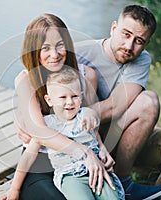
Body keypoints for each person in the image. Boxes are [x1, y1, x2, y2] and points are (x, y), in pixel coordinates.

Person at [72, 4, 161, 199]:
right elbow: (36, 74)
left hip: (125, 139)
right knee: (148, 101)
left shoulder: (141, 59)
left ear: (147, 43)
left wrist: (81, 112)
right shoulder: (81, 53)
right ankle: (123, 184)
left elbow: (115, 106)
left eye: (138, 41)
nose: (129, 46)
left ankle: (143, 192)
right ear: (113, 28)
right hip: (89, 141)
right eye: (126, 34)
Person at [12, 13, 119, 200]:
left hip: (81, 160)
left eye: (60, 45)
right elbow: (39, 132)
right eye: (45, 48)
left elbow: (88, 121)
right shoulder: (26, 81)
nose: (54, 54)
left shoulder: (87, 76)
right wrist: (85, 152)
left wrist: (100, 149)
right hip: (41, 160)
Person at [1, 68, 124, 200]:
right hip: (71, 177)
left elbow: (93, 126)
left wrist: (91, 113)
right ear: (49, 100)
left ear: (81, 97)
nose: (70, 102)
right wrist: (15, 188)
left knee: (112, 197)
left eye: (74, 96)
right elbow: (27, 157)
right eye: (63, 97)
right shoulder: (47, 126)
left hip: (97, 169)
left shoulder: (84, 116)